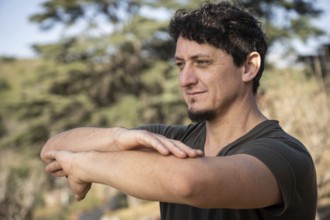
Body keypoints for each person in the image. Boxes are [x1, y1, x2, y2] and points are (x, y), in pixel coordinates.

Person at [40, 1, 317, 220]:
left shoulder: (285, 156)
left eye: (202, 62)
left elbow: (189, 183)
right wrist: (116, 138)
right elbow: (52, 148)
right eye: (180, 65)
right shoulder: (171, 142)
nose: (185, 79)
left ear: (248, 67)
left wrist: (83, 166)